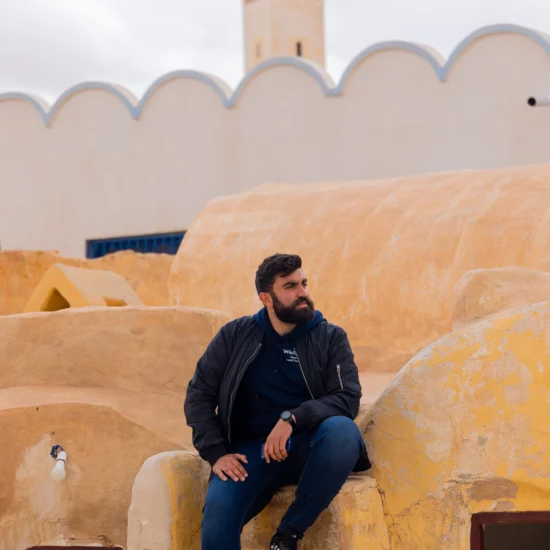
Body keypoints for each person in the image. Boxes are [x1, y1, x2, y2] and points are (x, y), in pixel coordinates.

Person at [184, 253, 371, 550]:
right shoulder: (235, 335)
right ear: (266, 298)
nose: (302, 293)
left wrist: (292, 419)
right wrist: (216, 453)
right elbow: (199, 394)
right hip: (250, 453)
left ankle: (287, 536)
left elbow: (347, 398)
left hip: (310, 446)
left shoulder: (330, 337)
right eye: (290, 286)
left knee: (342, 431)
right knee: (218, 515)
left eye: (303, 283)